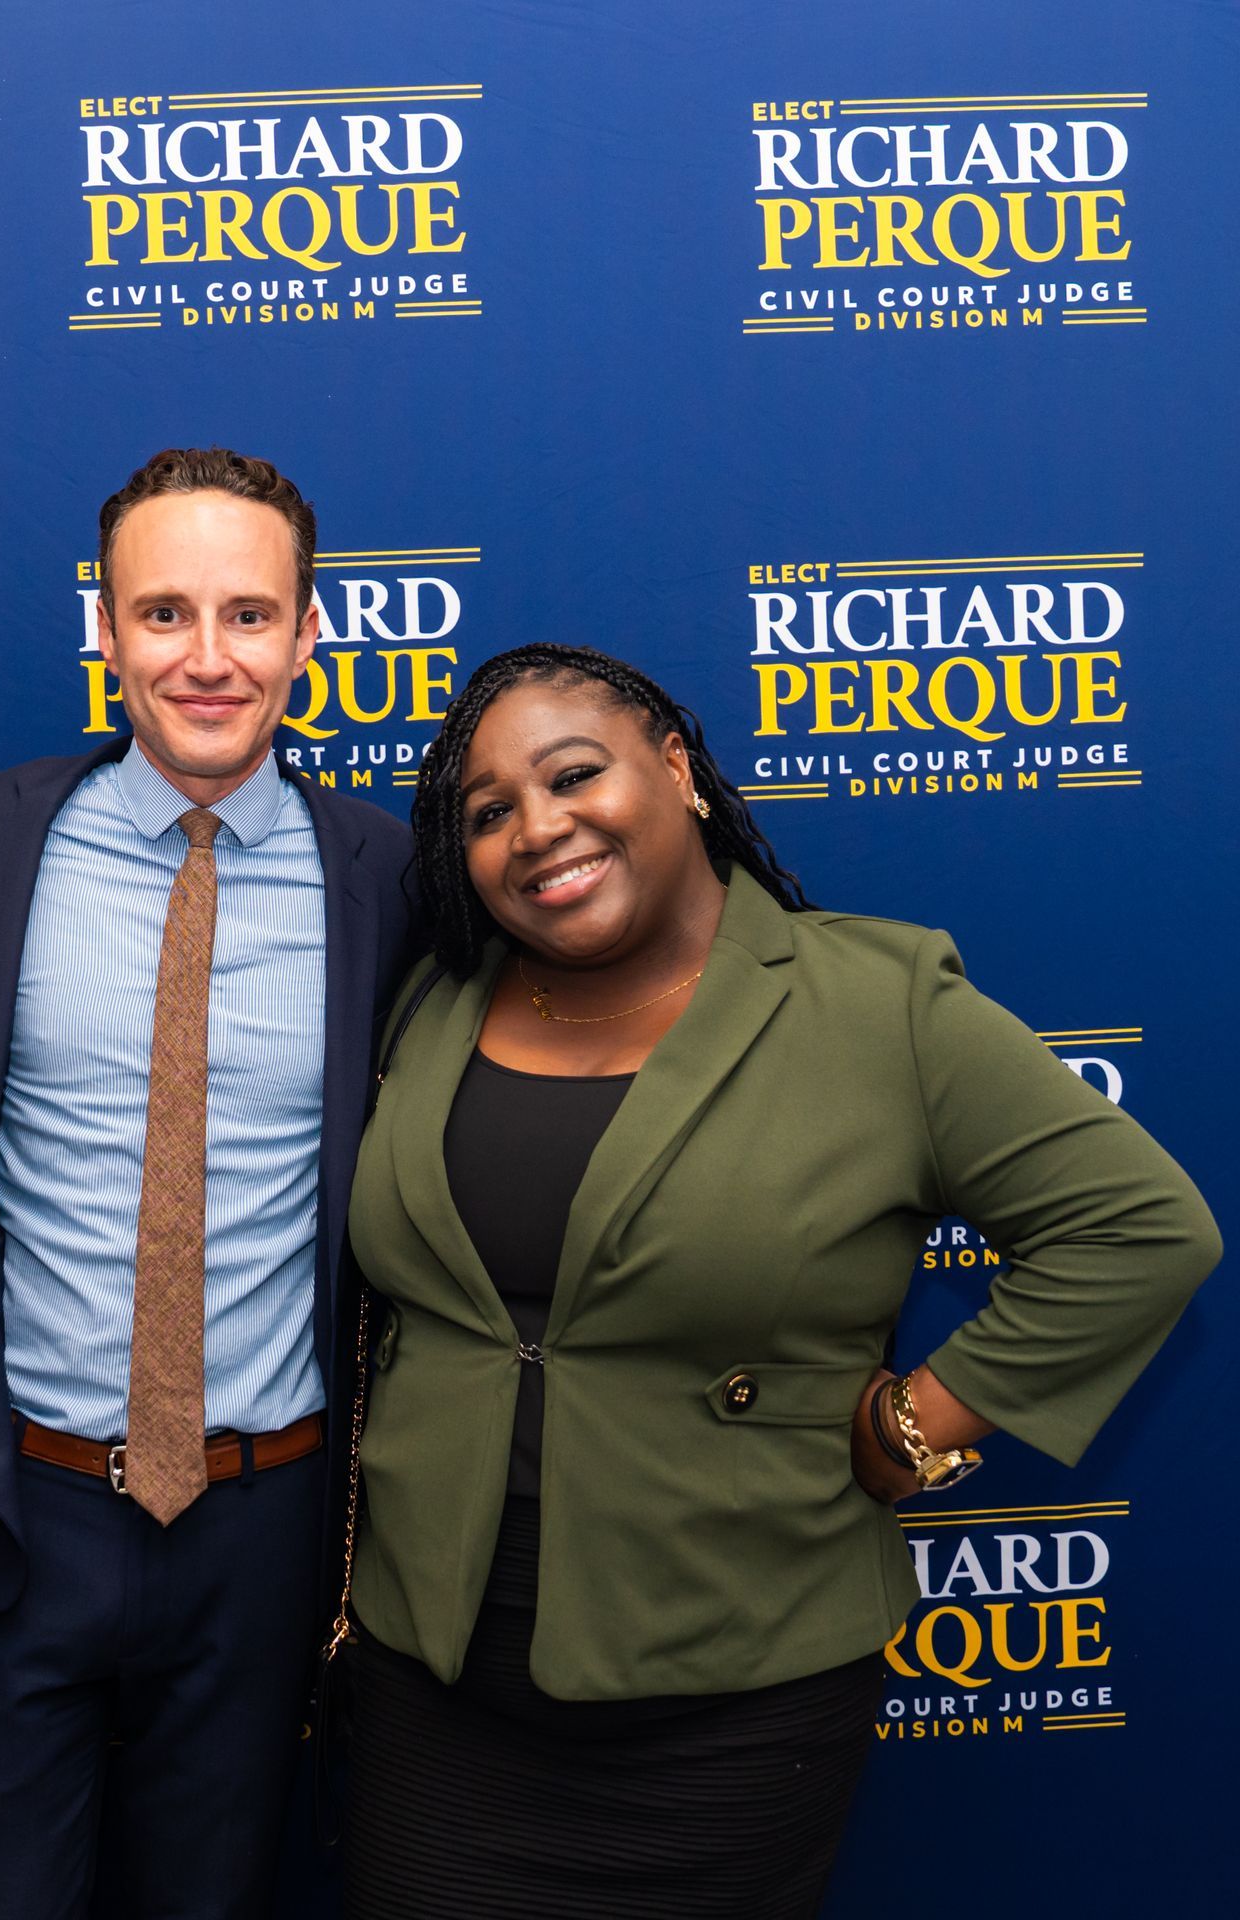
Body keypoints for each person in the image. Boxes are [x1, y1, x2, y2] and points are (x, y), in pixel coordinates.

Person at [340, 642, 1221, 1920]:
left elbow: (1140, 1230)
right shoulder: (433, 1003)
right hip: (435, 1688)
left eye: (573, 773)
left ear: (680, 772)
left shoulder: (878, 1003)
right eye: (486, 815)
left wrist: (916, 1424)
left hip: (733, 1704)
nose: (538, 828)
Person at [0, 447, 415, 1918]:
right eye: (166, 615)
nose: (208, 660)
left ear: (310, 635)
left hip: (266, 1523)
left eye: (251, 617)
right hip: (18, 1506)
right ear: (108, 628)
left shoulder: (387, 875)